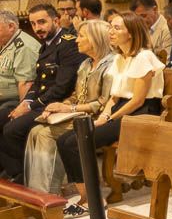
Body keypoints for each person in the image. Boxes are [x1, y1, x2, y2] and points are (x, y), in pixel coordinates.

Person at [57, 13, 164, 218]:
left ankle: (93, 199)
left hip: (140, 114)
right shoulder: (120, 58)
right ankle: (86, 196)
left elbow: (138, 100)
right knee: (64, 141)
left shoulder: (144, 57)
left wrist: (110, 119)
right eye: (111, 28)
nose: (111, 32)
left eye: (117, 28)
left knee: (77, 141)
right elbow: (114, 97)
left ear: (131, 33)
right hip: (120, 110)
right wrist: (103, 117)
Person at [23, 19, 114, 195]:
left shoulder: (110, 65)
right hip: (78, 113)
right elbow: (76, 94)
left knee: (45, 133)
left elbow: (104, 102)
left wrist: (71, 109)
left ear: (95, 39)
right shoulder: (86, 64)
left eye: (81, 36)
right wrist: (60, 105)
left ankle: (48, 193)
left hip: (97, 118)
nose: (76, 40)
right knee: (35, 130)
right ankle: (37, 190)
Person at [0, 4, 86, 163]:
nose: (37, 28)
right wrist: (26, 102)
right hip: (42, 101)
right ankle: (15, 172)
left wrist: (30, 106)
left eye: (42, 22)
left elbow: (62, 87)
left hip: (58, 103)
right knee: (4, 119)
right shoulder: (47, 44)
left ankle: (25, 174)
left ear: (56, 21)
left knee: (12, 129)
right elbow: (38, 81)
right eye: (33, 24)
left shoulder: (68, 45)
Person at [0, 11, 39, 116]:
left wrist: (20, 112)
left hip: (11, 102)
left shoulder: (24, 47)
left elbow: (26, 83)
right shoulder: (6, 42)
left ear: (11, 26)